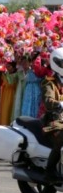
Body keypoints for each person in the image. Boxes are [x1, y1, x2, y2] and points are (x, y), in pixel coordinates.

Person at [41, 47, 63, 182]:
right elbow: (48, 101)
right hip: (54, 120)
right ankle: (50, 171)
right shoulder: (49, 82)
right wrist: (59, 104)